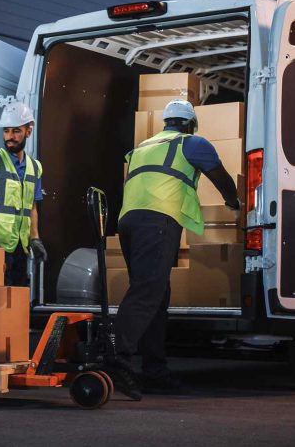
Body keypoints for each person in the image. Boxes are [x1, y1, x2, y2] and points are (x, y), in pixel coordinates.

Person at [110, 99, 241, 400]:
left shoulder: (141, 147)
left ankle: (154, 372)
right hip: (157, 222)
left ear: (166, 122)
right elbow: (221, 178)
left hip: (129, 221)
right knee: (146, 293)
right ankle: (117, 356)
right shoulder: (193, 143)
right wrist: (234, 202)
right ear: (190, 123)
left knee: (156, 297)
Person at [0, 101, 47, 286]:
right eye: (6, 131)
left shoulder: (35, 167)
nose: (9, 136)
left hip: (20, 247)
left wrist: (35, 239)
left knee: (17, 299)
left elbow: (32, 207)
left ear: (29, 131)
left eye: (16, 131)